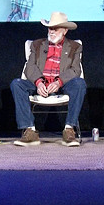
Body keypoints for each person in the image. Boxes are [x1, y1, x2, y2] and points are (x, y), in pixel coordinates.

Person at [10, 12, 86, 147]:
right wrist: (39, 82)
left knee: (80, 84)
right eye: (50, 28)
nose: (52, 31)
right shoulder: (37, 44)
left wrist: (59, 82)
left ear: (65, 31)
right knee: (17, 84)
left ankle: (69, 129)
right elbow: (30, 67)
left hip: (62, 84)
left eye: (56, 28)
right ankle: (30, 131)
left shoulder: (75, 46)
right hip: (41, 83)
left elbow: (75, 70)